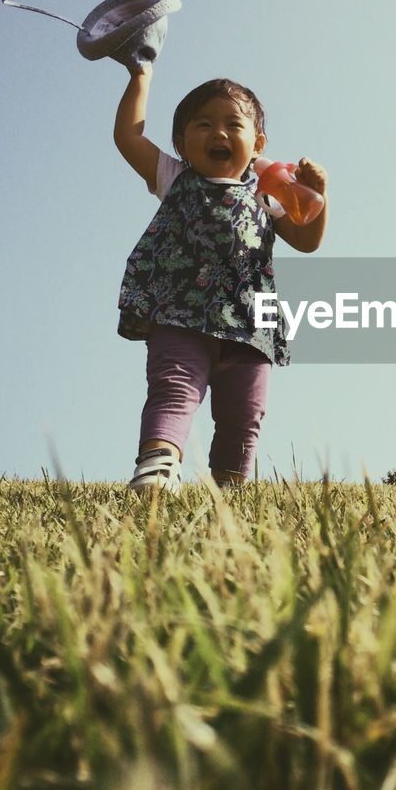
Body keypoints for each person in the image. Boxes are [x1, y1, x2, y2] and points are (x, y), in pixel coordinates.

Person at [112, 62, 327, 491]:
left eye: (234, 124)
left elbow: (306, 241)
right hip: (179, 314)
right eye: (204, 124)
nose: (219, 134)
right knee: (173, 389)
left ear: (258, 142)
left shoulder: (270, 192)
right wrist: (141, 76)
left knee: (243, 414)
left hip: (248, 324)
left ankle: (229, 490)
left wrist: (318, 196)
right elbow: (128, 137)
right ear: (181, 142)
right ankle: (157, 469)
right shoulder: (175, 178)